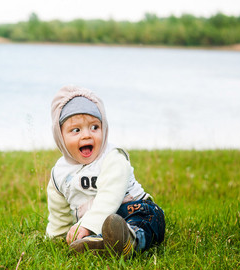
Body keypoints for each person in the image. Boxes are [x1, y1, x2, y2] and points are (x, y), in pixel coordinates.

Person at [46, 85, 165, 257]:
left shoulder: (112, 158)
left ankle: (129, 240)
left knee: (142, 223)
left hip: (135, 209)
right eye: (76, 130)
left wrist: (87, 224)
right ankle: (101, 243)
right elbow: (59, 213)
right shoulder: (59, 173)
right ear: (60, 136)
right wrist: (57, 237)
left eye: (94, 127)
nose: (87, 135)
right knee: (101, 229)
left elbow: (110, 196)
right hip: (97, 223)